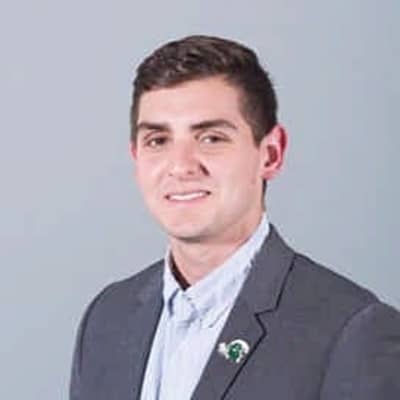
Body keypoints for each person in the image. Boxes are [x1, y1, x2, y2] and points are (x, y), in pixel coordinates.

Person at [70, 35, 400, 400]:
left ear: (271, 154)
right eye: (158, 141)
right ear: (136, 157)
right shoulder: (107, 319)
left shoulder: (351, 332)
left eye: (211, 138)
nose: (180, 166)